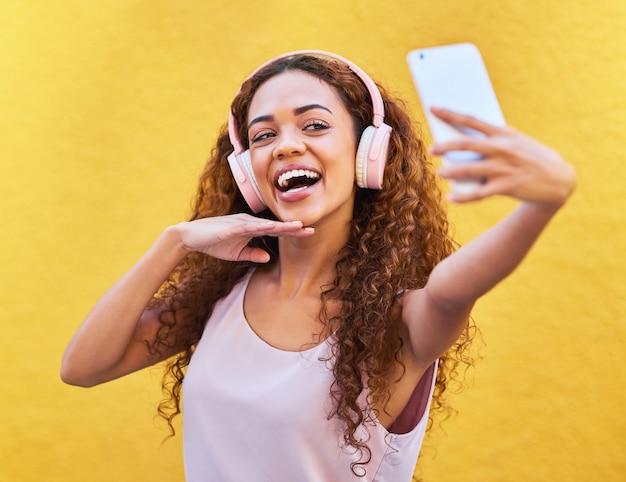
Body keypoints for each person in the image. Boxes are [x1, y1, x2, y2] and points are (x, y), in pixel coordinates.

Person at [61, 50, 576, 481]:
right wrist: (173, 243)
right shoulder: (222, 296)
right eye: (263, 136)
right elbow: (82, 369)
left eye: (315, 125)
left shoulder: (396, 322)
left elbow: (450, 290)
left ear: (367, 153)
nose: (286, 144)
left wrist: (541, 205)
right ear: (246, 171)